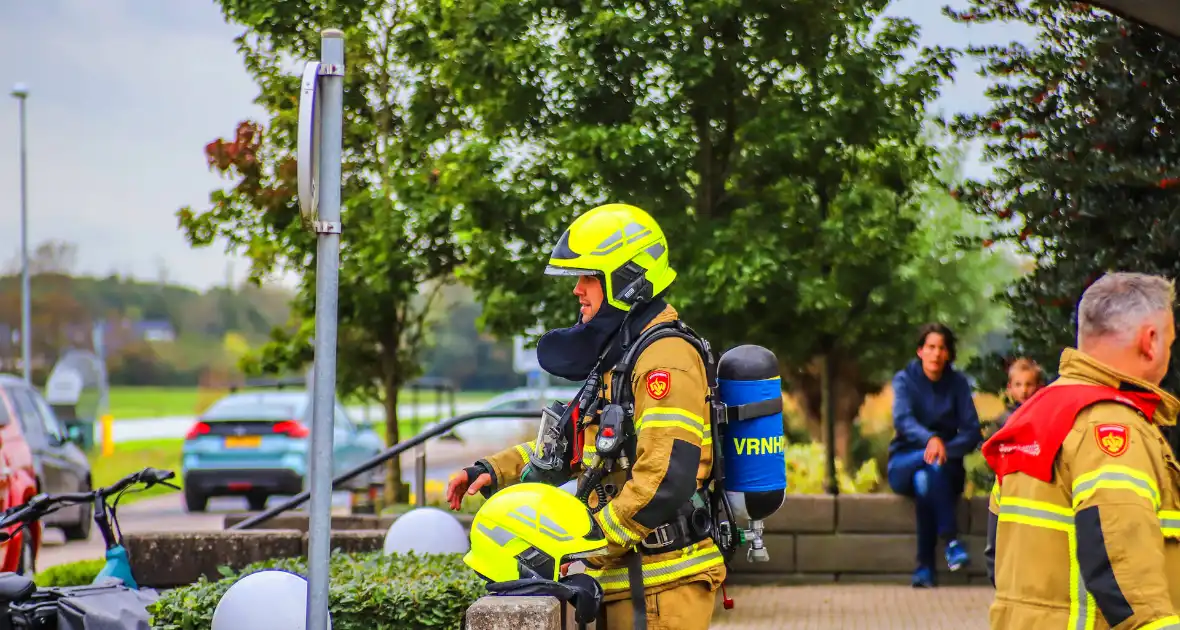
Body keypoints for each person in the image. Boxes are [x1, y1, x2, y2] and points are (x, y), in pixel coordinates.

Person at [445, 203, 724, 630]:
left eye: (590, 277)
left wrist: (590, 538)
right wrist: (493, 471)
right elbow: (574, 446)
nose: (578, 290)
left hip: (662, 588)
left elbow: (664, 478)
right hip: (630, 583)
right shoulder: (623, 357)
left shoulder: (663, 359)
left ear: (627, 281)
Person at [982, 272, 1180, 629]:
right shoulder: (1112, 426)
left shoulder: (1033, 414)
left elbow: (997, 552)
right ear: (1150, 341)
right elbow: (1123, 572)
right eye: (1170, 341)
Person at [886, 322, 983, 588]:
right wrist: (931, 440)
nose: (936, 354)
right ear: (920, 351)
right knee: (924, 472)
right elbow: (903, 420)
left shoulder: (959, 383)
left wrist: (944, 449)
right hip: (905, 461)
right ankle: (950, 541)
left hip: (946, 467)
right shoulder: (905, 380)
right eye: (930, 347)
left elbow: (972, 430)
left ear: (949, 354)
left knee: (926, 481)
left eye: (942, 348)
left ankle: (925, 569)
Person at [986, 358, 1045, 439]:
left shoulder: (1046, 414)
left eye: (1029, 384)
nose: (1024, 390)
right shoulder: (1003, 420)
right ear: (1009, 388)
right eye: (1018, 385)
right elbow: (989, 445)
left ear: (1039, 386)